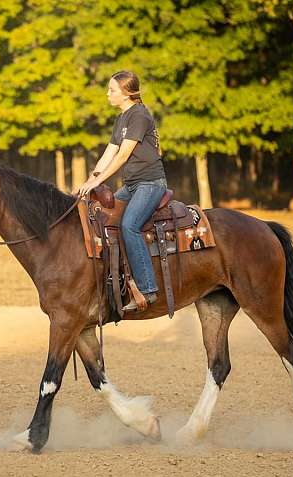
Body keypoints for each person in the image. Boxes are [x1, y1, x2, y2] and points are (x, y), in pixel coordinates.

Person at [76, 70, 167, 312]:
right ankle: (116, 282)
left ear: (127, 93)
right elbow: (109, 153)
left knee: (129, 225)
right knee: (103, 219)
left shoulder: (139, 116)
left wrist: (98, 182)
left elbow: (123, 155)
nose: (108, 94)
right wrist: (90, 180)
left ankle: (148, 289)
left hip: (150, 184)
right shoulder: (122, 118)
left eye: (112, 90)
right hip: (131, 186)